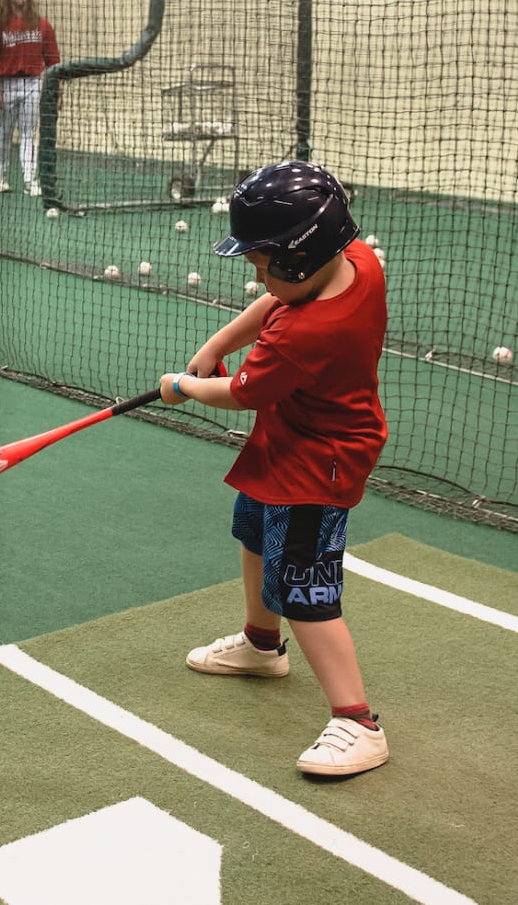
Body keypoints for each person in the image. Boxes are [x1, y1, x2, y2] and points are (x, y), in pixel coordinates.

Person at [159, 161, 391, 778]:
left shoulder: (310, 332)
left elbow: (241, 394)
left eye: (265, 265)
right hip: (288, 444)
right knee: (255, 534)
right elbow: (274, 304)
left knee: (305, 589)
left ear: (302, 258)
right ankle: (262, 647)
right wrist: (217, 343)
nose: (258, 277)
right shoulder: (356, 261)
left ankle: (358, 722)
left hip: (322, 463)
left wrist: (182, 385)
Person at [0, 0, 59, 197]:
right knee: (4, 133)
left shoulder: (42, 25)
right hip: (5, 85)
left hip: (32, 83)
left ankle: (30, 180)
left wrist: (57, 92)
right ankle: (1, 177)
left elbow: (53, 61)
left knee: (28, 133)